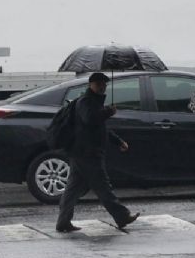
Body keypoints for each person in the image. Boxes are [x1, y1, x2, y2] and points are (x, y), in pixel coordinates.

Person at [55, 72, 140, 233]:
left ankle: (63, 222)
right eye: (99, 84)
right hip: (87, 153)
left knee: (72, 190)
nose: (102, 87)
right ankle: (122, 216)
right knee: (103, 187)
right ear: (90, 85)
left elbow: (101, 129)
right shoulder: (86, 102)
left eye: (104, 84)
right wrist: (108, 112)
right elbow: (90, 119)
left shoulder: (94, 102)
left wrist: (118, 141)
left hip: (83, 153)